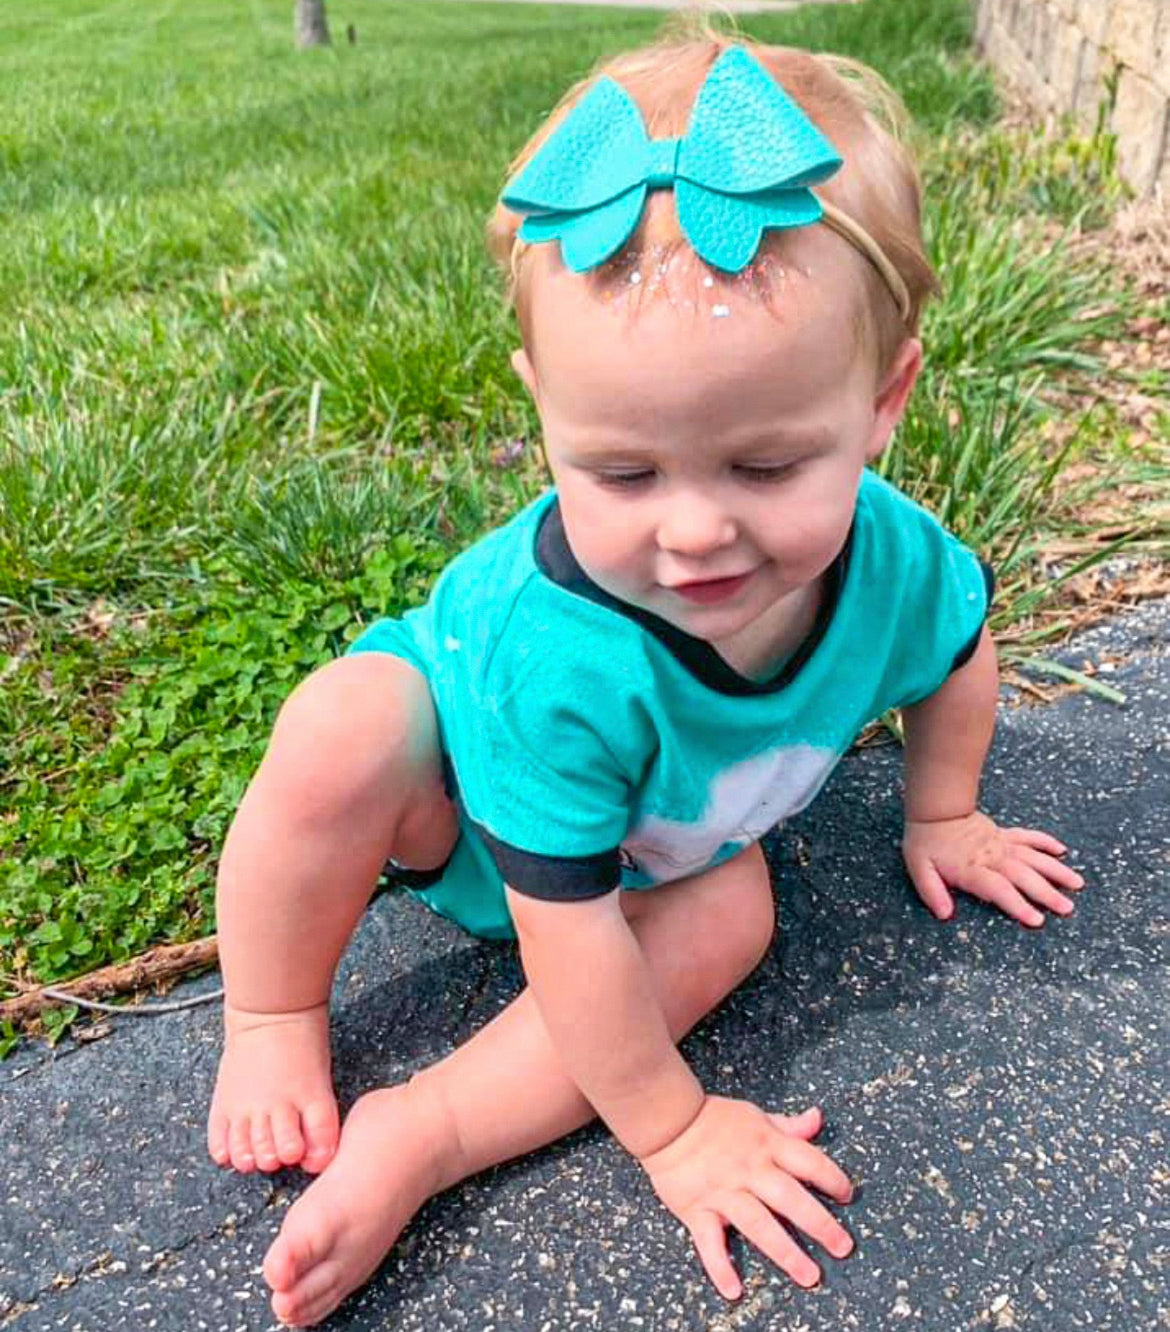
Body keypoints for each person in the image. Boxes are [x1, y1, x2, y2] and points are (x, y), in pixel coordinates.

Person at [207, 24, 1085, 1328]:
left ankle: (427, 1132)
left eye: (766, 466)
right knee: (342, 727)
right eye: (621, 472)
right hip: (456, 790)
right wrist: (673, 1135)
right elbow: (565, 937)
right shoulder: (551, 652)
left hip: (645, 854)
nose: (691, 533)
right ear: (540, 405)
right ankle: (270, 1006)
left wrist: (943, 808)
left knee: (732, 920)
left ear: (884, 400)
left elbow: (954, 657)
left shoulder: (897, 564)